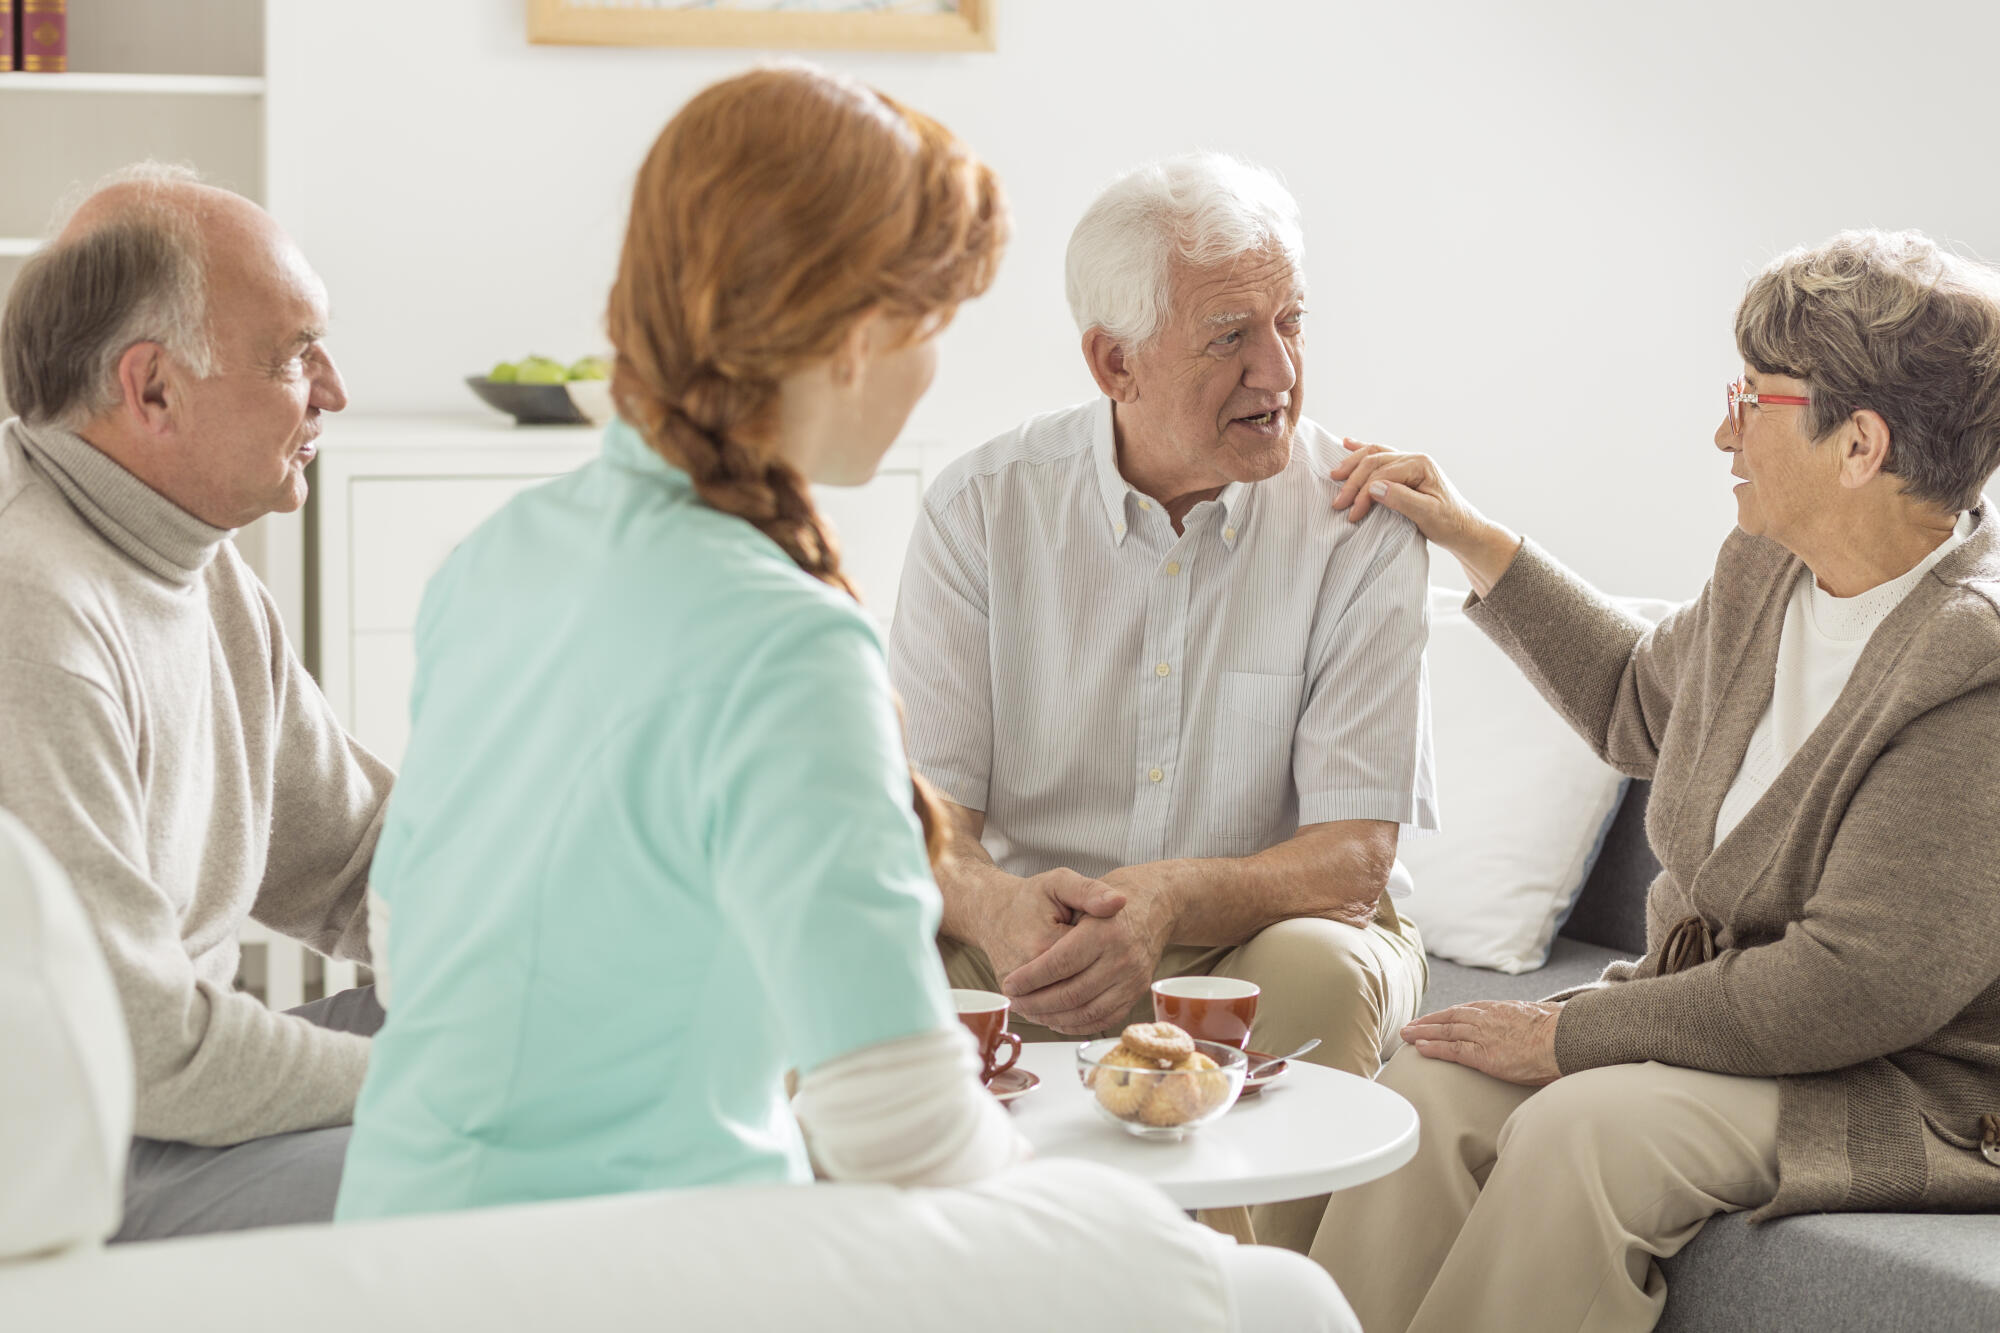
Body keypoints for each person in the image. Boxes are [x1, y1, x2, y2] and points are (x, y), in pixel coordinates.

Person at [331, 66, 1352, 1331]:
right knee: (1284, 1302)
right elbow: (901, 1128)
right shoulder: (781, 636)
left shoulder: (492, 561)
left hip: (388, 1252)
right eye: (934, 323)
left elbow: (406, 947)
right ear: (859, 334)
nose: (932, 369)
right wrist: (1130, 1231)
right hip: (630, 1275)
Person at [1311, 228, 2000, 1333]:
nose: (1720, 428)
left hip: (1897, 1079)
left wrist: (1570, 1036)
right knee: (1432, 1088)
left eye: (1753, 398)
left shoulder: (1970, 669)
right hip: (1729, 1029)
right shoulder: (1770, 569)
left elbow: (1852, 985)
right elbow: (1640, 703)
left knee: (1581, 1133)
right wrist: (1472, 539)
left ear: (1856, 444)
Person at [887, 153, 1436, 1251]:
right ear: (1112, 362)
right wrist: (998, 911)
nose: (1277, 367)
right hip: (1033, 931)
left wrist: (1167, 905)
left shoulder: (1358, 522)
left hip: (1266, 930)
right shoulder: (979, 510)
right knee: (860, 958)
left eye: (1289, 321)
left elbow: (1350, 859)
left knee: (1322, 969)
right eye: (1230, 334)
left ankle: (1252, 1302)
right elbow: (922, 826)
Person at [0, 165, 390, 1242]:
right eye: (293, 356)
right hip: (77, 1150)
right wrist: (455, 1080)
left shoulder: (194, 563)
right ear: (153, 389)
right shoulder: (28, 605)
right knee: (504, 1156)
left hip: (160, 1104)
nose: (333, 391)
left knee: (575, 1046)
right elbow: (144, 1051)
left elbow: (361, 858)